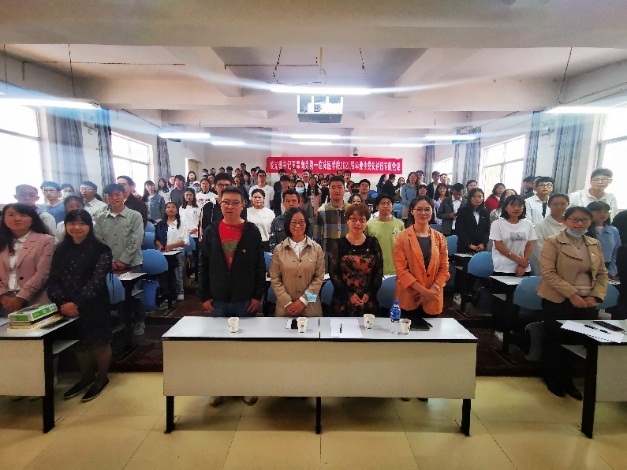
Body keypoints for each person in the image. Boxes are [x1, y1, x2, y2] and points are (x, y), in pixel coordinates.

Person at [198, 186, 265, 407]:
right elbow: (203, 264)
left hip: (245, 298)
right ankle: (220, 387)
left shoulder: (251, 231)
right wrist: (204, 294)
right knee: (219, 346)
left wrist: (257, 295)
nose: (230, 206)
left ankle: (246, 386)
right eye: (226, 202)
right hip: (218, 298)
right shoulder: (211, 231)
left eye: (235, 202)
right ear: (220, 204)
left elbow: (259, 266)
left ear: (243, 205)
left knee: (246, 347)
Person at [537, 206, 608, 399]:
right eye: (574, 219)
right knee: (556, 339)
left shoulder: (593, 243)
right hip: (558, 298)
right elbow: (548, 273)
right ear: (565, 221)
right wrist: (572, 295)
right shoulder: (553, 241)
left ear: (590, 222)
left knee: (576, 341)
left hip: (587, 301)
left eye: (584, 220)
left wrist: (595, 296)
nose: (579, 223)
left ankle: (568, 379)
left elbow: (602, 274)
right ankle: (552, 378)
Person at [47, 209, 113, 402]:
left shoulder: (101, 249)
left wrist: (77, 303)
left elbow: (96, 281)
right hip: (67, 305)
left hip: (94, 302)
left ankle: (101, 378)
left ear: (89, 226)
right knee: (79, 343)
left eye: (82, 223)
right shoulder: (60, 250)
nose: (76, 227)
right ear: (66, 226)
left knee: (99, 342)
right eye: (72, 223)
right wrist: (63, 302)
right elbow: (53, 280)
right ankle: (85, 377)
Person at [94, 183, 144, 335]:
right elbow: (99, 242)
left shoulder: (134, 216)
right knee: (116, 295)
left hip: (132, 263)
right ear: (106, 197)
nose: (114, 198)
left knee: (135, 294)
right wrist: (109, 261)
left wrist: (123, 260)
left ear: (124, 196)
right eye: (111, 195)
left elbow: (136, 240)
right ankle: (122, 322)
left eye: (118, 194)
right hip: (109, 265)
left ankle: (139, 321)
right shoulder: (101, 218)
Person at [393, 196, 450, 323]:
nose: (423, 213)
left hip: (433, 298)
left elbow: (444, 268)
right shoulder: (401, 237)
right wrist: (424, 292)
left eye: (427, 209)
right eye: (419, 209)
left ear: (432, 211)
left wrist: (433, 290)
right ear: (412, 211)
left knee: (432, 334)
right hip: (409, 296)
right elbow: (402, 271)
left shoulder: (440, 238)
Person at [328, 203, 383, 317]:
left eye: (362, 220)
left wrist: (369, 293)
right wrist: (349, 295)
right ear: (347, 221)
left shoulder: (373, 242)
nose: (358, 223)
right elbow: (333, 273)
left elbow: (378, 272)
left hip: (368, 301)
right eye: (353, 219)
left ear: (366, 222)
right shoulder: (338, 244)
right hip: (343, 300)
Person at [269, 207, 325, 317]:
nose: (298, 226)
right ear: (287, 225)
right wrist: (287, 303)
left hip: (311, 308)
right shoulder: (279, 250)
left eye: (301, 222)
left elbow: (318, 279)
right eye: (293, 222)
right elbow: (275, 279)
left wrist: (303, 301)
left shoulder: (317, 249)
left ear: (307, 224)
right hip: (285, 309)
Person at [0, 204, 55, 313]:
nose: (16, 218)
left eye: (23, 215)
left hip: (34, 299)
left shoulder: (46, 240)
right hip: (3, 302)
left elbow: (43, 273)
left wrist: (20, 298)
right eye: (11, 215)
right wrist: (2, 296)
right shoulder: (2, 241)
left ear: (33, 219)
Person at [489, 195, 535, 276]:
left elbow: (529, 245)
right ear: (506, 208)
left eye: (520, 206)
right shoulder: (497, 224)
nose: (516, 208)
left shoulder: (528, 224)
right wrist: (519, 260)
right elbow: (499, 246)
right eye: (513, 206)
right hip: (503, 268)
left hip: (523, 268)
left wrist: (523, 264)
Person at [155, 202, 189, 301]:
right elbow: (156, 239)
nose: (170, 209)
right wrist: (160, 245)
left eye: (173, 207)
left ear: (177, 210)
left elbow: (185, 241)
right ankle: (166, 293)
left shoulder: (181, 224)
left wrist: (171, 246)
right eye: (168, 207)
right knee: (164, 274)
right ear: (165, 210)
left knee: (177, 274)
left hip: (177, 251)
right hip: (164, 252)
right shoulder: (160, 224)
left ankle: (180, 292)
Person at [366, 194, 405, 275]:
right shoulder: (369, 225)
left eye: (388, 203)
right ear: (377, 207)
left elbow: (404, 247)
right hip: (375, 270)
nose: (385, 206)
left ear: (392, 206)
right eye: (382, 203)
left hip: (396, 269)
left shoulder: (400, 224)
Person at [532, 193, 569, 275]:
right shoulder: (540, 226)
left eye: (563, 204)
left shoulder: (572, 225)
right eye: (555, 204)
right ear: (549, 205)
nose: (559, 207)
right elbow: (538, 251)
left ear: (568, 205)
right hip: (548, 270)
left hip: (569, 269)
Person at [314, 176, 351, 253]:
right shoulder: (321, 211)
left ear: (344, 189)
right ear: (329, 190)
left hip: (348, 254)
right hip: (327, 254)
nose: (336, 190)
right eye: (333, 187)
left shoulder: (351, 210)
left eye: (339, 187)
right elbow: (317, 237)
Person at [588, 201, 621, 277]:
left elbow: (616, 252)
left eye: (606, 211)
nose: (603, 214)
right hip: (587, 268)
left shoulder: (613, 230)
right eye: (598, 211)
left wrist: (612, 271)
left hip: (607, 267)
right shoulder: (583, 229)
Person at [455, 188, 490, 254]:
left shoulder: (485, 212)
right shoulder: (462, 211)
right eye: (474, 197)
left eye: (480, 197)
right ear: (470, 198)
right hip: (465, 247)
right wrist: (470, 245)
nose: (477, 199)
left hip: (481, 247)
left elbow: (487, 230)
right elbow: (460, 230)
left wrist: (483, 243)